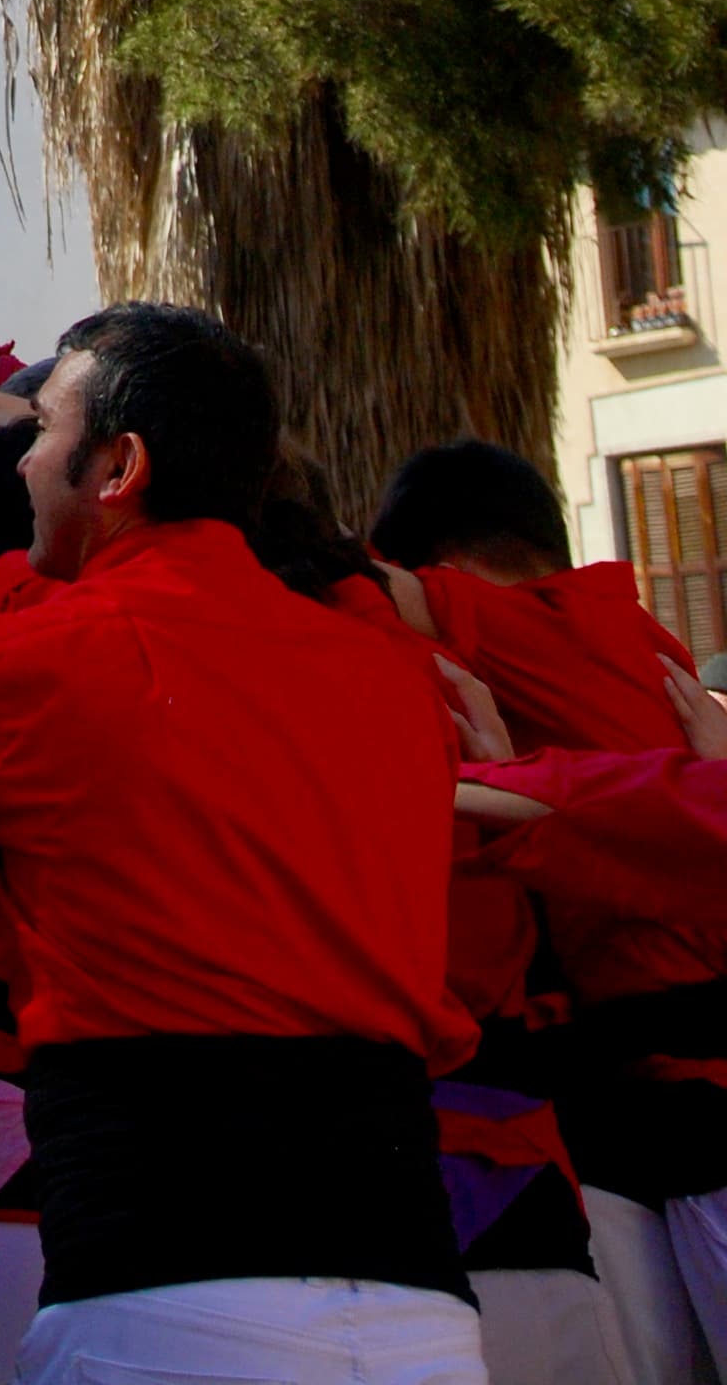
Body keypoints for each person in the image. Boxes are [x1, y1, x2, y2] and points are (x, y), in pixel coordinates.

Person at [0, 304, 484, 1385]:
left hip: (170, 1296)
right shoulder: (389, 678)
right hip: (423, 1308)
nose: (21, 461)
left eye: (42, 429)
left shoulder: (37, 661)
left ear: (119, 465)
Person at [375, 441, 727, 1382]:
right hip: (634, 1099)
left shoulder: (524, 623)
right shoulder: (637, 634)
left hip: (683, 1093)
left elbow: (342, 581)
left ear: (444, 567)